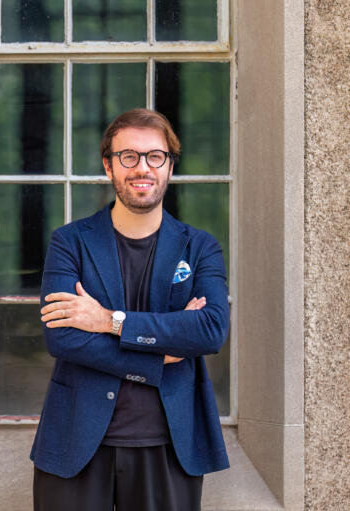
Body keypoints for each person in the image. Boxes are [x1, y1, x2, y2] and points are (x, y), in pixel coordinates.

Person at [30, 109, 230, 511]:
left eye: (155, 156)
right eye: (128, 156)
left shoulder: (200, 246)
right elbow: (63, 337)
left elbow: (209, 330)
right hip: (76, 440)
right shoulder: (70, 242)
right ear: (108, 165)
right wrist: (163, 354)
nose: (142, 168)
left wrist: (108, 321)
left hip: (170, 443)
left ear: (170, 166)